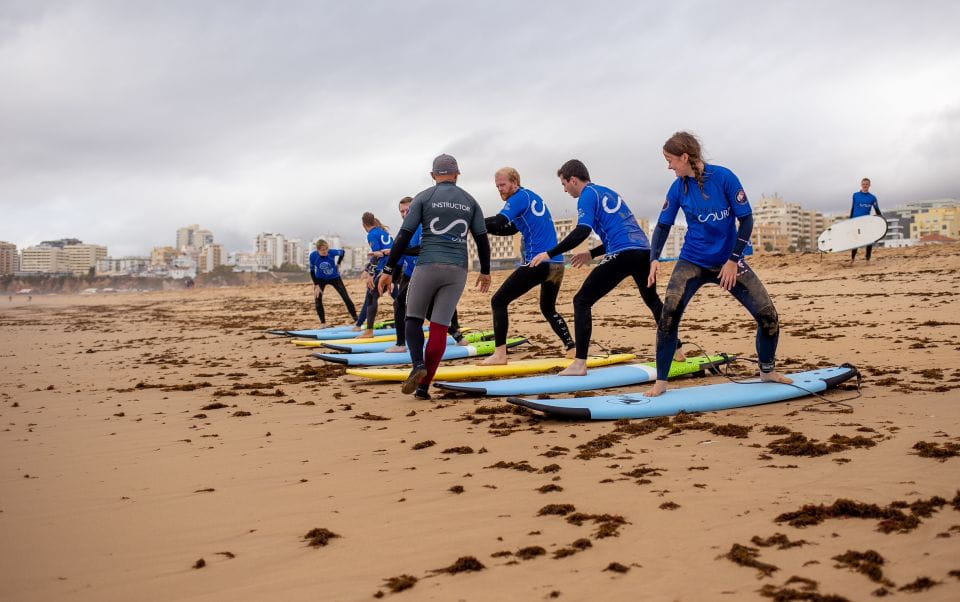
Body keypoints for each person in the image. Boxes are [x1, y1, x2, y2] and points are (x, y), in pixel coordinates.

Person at [645, 131, 792, 397]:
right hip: (692, 261)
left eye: (670, 160)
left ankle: (767, 370)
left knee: (768, 316)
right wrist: (654, 258)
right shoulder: (679, 187)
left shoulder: (724, 177)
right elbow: (664, 224)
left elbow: (746, 220)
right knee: (668, 317)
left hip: (728, 261)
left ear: (685, 157)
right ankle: (661, 382)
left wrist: (733, 260)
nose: (668, 166)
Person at [530, 159, 679, 376]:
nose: (564, 189)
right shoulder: (608, 192)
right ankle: (678, 349)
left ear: (573, 180)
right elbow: (617, 230)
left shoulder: (586, 196)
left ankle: (579, 363)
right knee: (652, 300)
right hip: (643, 251)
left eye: (564, 184)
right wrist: (591, 253)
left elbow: (582, 231)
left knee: (581, 300)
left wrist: (550, 253)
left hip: (623, 253)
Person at [378, 154, 490, 399]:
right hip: (458, 270)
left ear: (433, 175)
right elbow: (482, 238)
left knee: (413, 318)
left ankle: (418, 364)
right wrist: (486, 271)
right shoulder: (470, 201)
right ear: (457, 174)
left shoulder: (424, 197)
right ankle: (423, 388)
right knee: (439, 328)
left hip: (428, 264)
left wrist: (388, 270)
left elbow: (404, 235)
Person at [482, 167, 575, 364]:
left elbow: (499, 221)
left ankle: (500, 354)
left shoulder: (518, 198)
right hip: (557, 264)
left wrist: (473, 223)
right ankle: (571, 347)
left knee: (498, 301)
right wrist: (481, 229)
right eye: (497, 186)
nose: (500, 189)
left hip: (539, 262)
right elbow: (508, 229)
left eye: (503, 184)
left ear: (515, 182)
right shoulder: (530, 197)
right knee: (548, 308)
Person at [385, 197, 464, 353]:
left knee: (406, 304)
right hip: (409, 275)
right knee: (411, 306)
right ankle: (456, 334)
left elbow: (422, 248)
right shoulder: (405, 230)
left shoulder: (424, 225)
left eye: (407, 210)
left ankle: (401, 344)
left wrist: (398, 250)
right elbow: (399, 260)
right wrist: (392, 279)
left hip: (428, 272)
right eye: (401, 211)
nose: (404, 214)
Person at [357, 212, 393, 338]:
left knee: (372, 296)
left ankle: (369, 331)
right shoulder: (383, 232)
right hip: (398, 265)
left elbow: (376, 254)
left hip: (387, 268)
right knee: (398, 296)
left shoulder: (372, 234)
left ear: (363, 225)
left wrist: (370, 272)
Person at [309, 239, 358, 327]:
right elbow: (312, 271)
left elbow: (342, 252)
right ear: (318, 250)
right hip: (320, 280)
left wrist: (338, 263)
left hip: (335, 278)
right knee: (317, 301)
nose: (325, 252)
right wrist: (316, 285)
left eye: (326, 249)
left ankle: (356, 320)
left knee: (346, 298)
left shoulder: (332, 252)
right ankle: (323, 323)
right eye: (323, 250)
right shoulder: (313, 256)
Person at [850, 177, 882, 262]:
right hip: (855, 221)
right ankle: (852, 259)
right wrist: (850, 220)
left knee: (869, 240)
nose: (865, 186)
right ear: (861, 185)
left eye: (867, 184)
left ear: (869, 185)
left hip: (866, 221)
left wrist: (882, 221)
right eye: (863, 184)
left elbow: (877, 210)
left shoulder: (872, 198)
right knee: (855, 241)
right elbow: (852, 208)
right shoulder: (855, 195)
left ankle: (867, 259)